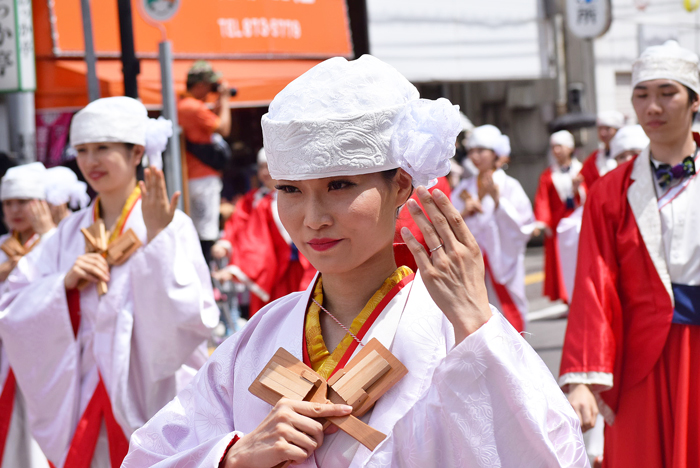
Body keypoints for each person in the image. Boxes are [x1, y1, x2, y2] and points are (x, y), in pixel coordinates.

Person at [123, 55, 587, 468]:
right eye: (290, 190)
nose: (313, 218)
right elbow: (151, 454)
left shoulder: (453, 331)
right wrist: (231, 456)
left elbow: (545, 453)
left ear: (401, 186)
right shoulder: (261, 334)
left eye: (340, 185)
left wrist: (473, 323)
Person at [0, 97, 219, 468]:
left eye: (103, 148)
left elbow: (191, 313)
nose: (91, 161)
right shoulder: (70, 231)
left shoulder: (171, 225)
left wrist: (157, 241)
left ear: (137, 152)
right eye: (83, 150)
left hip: (151, 383)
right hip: (83, 386)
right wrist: (62, 285)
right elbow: (14, 303)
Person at [560, 40, 700, 467]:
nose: (653, 106)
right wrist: (583, 377)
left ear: (694, 101)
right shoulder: (610, 192)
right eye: (642, 94)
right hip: (640, 356)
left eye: (667, 93)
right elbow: (593, 283)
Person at [212, 149, 316, 316]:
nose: (264, 172)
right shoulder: (255, 201)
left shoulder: (301, 194)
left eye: (268, 167)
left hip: (305, 265)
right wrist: (226, 245)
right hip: (271, 270)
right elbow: (247, 233)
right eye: (261, 167)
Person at [451, 125, 534, 332]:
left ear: (495, 153)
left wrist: (498, 201)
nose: (475, 156)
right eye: (471, 151)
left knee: (507, 306)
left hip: (501, 254)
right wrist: (464, 213)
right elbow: (449, 219)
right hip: (473, 258)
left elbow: (524, 224)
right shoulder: (464, 187)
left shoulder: (509, 185)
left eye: (481, 151)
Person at [0, 163, 54, 468]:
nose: (15, 210)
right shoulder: (2, 249)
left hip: (43, 359)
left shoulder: (55, 242)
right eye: (8, 203)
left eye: (23, 201)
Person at [178, 60, 232, 261]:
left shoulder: (183, 104)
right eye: (209, 86)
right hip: (202, 178)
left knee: (199, 230)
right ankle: (206, 275)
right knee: (206, 233)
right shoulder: (193, 107)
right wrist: (225, 99)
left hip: (194, 177)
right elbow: (224, 128)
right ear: (199, 85)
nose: (210, 90)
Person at [534, 130, 586, 304]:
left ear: (570, 148)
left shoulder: (583, 170)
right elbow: (542, 199)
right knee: (561, 260)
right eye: (553, 147)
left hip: (579, 221)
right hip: (559, 224)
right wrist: (542, 222)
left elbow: (590, 193)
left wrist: (578, 189)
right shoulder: (548, 175)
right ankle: (567, 298)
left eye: (560, 146)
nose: (556, 151)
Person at [579, 111, 625, 188]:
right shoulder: (594, 158)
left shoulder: (629, 154)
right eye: (600, 129)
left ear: (618, 130)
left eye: (608, 128)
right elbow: (583, 181)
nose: (602, 133)